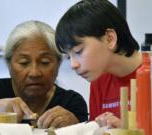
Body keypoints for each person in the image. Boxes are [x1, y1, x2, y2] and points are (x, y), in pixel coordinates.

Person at [0, 20, 88, 128]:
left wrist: (75, 127)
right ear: (9, 65)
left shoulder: (71, 103)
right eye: (24, 63)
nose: (34, 73)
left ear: (58, 65)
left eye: (44, 62)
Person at [55, 0, 141, 128]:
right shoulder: (99, 80)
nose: (73, 65)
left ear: (109, 39)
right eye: (68, 57)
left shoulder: (147, 75)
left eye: (78, 51)